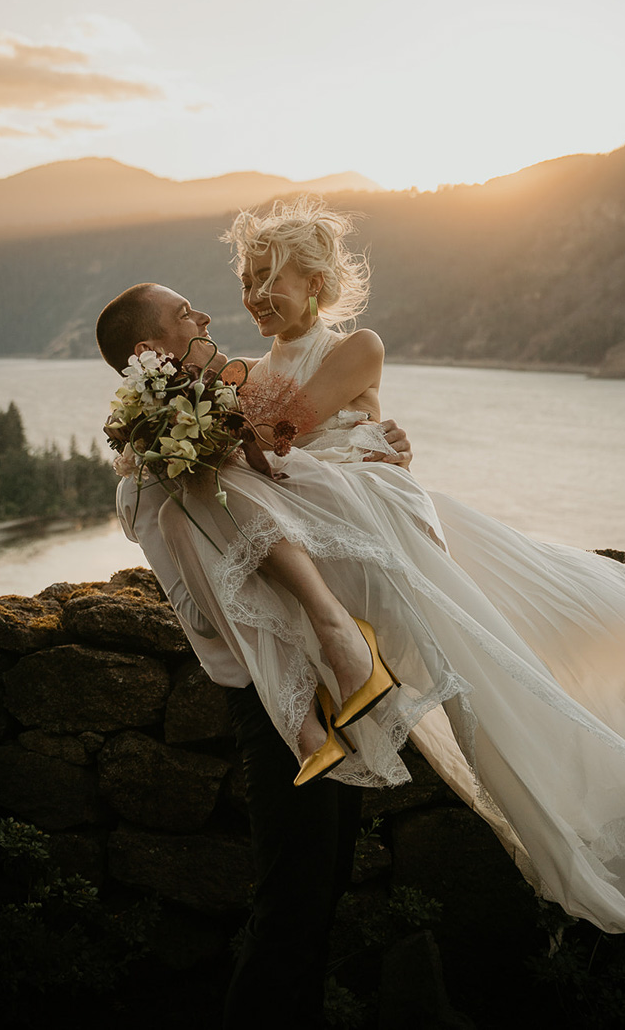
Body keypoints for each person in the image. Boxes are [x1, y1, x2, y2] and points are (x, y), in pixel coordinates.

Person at [99, 196, 625, 974]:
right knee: (300, 893)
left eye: (266, 276)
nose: (246, 296)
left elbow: (279, 441)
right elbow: (254, 464)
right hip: (302, 610)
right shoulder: (225, 388)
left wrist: (374, 445)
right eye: (244, 278)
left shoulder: (341, 353)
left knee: (342, 860)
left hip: (364, 552)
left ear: (315, 282)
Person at [97, 278, 414, 1028]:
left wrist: (376, 445)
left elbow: (303, 488)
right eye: (184, 314)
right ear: (152, 351)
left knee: (320, 896)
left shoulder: (203, 431)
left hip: (320, 685)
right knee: (291, 911)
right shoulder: (166, 453)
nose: (204, 315)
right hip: (280, 704)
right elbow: (266, 515)